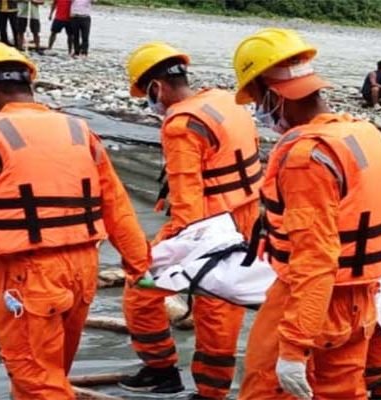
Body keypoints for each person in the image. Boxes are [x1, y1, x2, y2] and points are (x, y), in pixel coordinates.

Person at [0, 42, 151, 399]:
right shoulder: (79, 131)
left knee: (37, 377)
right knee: (51, 370)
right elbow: (117, 206)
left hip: (29, 273)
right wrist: (140, 266)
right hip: (84, 270)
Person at [233, 27, 381, 400]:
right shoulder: (364, 135)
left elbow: (315, 259)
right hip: (361, 301)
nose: (257, 109)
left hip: (309, 303)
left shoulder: (307, 157)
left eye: (256, 98)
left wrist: (293, 346)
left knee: (265, 391)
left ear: (270, 93)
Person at [120, 42, 262, 398]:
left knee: (141, 288)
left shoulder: (182, 125)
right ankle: (211, 391)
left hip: (210, 221)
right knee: (223, 309)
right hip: (247, 215)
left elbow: (186, 200)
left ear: (156, 88)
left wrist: (181, 250)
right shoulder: (226, 101)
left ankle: (162, 370)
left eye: (147, 95)